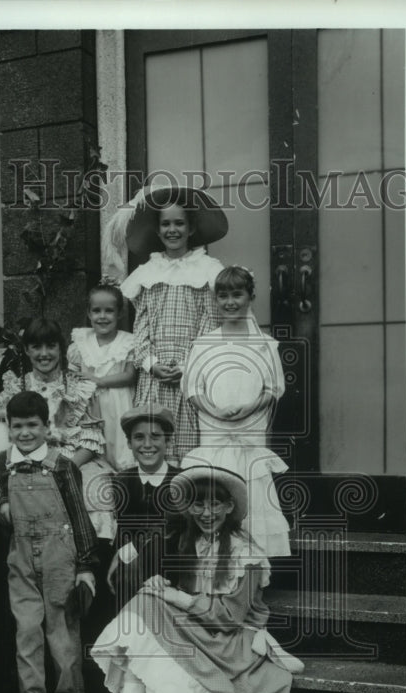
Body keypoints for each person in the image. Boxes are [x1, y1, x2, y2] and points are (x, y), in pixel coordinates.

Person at [90, 463, 303, 693]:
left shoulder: (245, 552)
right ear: (187, 507)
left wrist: (178, 597)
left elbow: (230, 618)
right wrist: (126, 561)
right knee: (146, 600)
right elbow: (146, 547)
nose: (207, 513)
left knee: (161, 643)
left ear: (230, 507)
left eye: (216, 504)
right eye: (198, 505)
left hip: (229, 640)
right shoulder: (189, 540)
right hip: (199, 630)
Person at [0, 391, 99, 693]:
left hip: (58, 554)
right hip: (20, 555)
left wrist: (85, 564)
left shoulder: (62, 465)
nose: (25, 433)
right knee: (26, 630)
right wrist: (4, 504)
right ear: (8, 427)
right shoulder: (2, 462)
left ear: (46, 426)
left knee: (61, 630)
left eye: (32, 425)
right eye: (18, 425)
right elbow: (6, 494)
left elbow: (80, 516)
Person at [106, 181, 227, 462]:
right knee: (152, 445)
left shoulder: (208, 271)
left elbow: (210, 326)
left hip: (191, 375)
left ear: (191, 228)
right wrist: (150, 364)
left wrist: (187, 366)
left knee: (188, 450)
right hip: (155, 377)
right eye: (166, 224)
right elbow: (141, 327)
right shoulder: (149, 273)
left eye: (179, 224)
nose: (172, 230)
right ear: (158, 230)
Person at [0, 317, 116, 542]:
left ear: (61, 348)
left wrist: (66, 469)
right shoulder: (17, 386)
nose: (44, 353)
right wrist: (11, 410)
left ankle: (90, 560)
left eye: (51, 346)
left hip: (73, 459)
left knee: (94, 491)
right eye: (36, 346)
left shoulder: (78, 386)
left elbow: (92, 438)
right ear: (27, 350)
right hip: (30, 457)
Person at [183, 265, 291, 558]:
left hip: (248, 432)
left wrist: (248, 408)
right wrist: (215, 410)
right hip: (215, 433)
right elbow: (193, 390)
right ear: (215, 300)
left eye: (237, 294)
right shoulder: (204, 344)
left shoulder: (265, 345)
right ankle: (217, 567)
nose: (230, 302)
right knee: (216, 495)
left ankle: (254, 575)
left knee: (251, 495)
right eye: (223, 296)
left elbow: (273, 388)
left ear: (250, 296)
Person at [105, 405, 181, 604]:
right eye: (139, 437)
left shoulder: (181, 481)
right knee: (124, 577)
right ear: (129, 443)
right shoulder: (122, 481)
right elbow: (124, 528)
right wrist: (121, 558)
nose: (147, 444)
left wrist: (126, 555)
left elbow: (171, 528)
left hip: (171, 563)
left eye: (155, 436)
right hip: (134, 567)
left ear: (168, 441)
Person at [67, 280, 136, 472]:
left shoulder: (127, 342)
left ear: (119, 313)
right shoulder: (80, 343)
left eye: (109, 311)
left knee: (119, 445)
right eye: (97, 311)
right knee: (94, 448)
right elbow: (72, 378)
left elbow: (130, 376)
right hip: (89, 408)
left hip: (119, 402)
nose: (102, 316)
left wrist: (98, 381)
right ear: (89, 313)